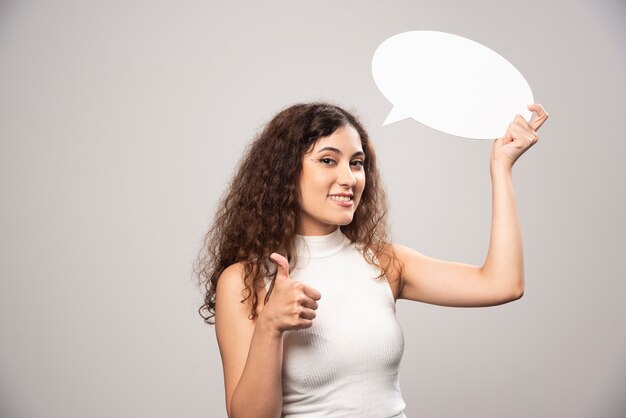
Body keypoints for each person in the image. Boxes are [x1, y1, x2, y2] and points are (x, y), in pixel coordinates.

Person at [195, 102, 549, 418]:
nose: (349, 178)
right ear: (285, 172)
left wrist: (501, 168)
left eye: (357, 163)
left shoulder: (384, 262)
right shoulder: (246, 280)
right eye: (328, 160)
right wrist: (270, 327)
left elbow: (502, 284)